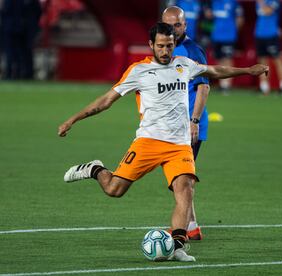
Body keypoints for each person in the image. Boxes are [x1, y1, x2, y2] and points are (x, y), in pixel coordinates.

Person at [58, 22, 268, 262]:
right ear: (151, 45)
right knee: (114, 189)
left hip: (179, 145)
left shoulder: (184, 65)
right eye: (161, 46)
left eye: (169, 46)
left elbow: (214, 71)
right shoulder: (138, 71)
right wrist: (74, 119)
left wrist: (248, 70)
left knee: (185, 189)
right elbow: (105, 101)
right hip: (148, 142)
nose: (166, 51)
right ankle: (94, 169)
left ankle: (178, 245)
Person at [162, 6, 209, 241]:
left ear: (185, 25)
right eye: (168, 25)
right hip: (170, 124)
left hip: (189, 124)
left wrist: (195, 120)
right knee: (182, 178)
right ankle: (191, 226)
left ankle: (184, 228)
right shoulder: (163, 47)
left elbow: (204, 86)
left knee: (181, 179)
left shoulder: (192, 50)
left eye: (177, 25)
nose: (172, 29)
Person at [255, 0, 282, 95]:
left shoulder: (274, 1)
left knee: (277, 59)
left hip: (271, 34)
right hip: (259, 34)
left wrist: (260, 2)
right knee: (262, 61)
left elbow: (267, 11)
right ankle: (264, 87)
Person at [209, 0, 244, 92]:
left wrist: (233, 30)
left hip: (228, 36)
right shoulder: (214, 2)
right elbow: (210, 16)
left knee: (227, 59)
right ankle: (222, 84)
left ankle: (227, 85)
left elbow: (240, 19)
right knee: (219, 59)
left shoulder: (234, 3)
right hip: (216, 36)